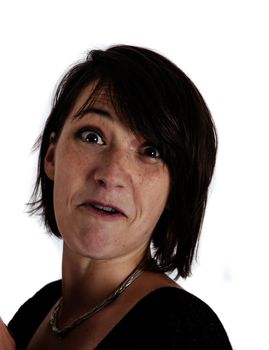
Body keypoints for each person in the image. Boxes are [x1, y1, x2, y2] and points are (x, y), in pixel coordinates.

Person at [1, 45, 233, 349]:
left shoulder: (186, 333)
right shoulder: (38, 312)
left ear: (177, 189)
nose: (111, 174)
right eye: (92, 136)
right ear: (52, 155)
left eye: (151, 152)